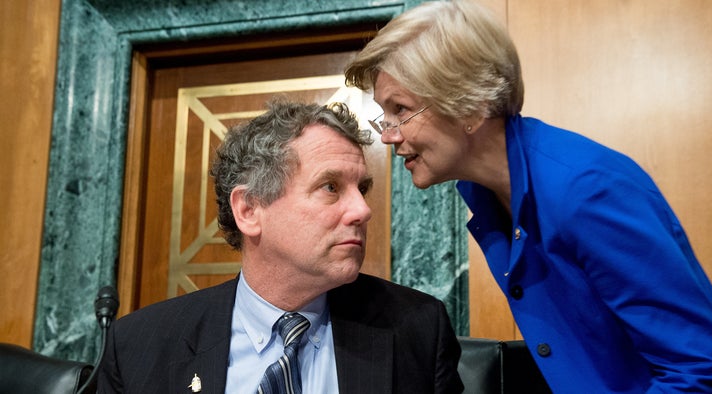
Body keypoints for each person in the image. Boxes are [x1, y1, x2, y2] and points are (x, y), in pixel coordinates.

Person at [344, 1, 712, 393]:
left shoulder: (587, 191)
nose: (388, 136)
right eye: (383, 116)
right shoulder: (488, 195)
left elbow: (702, 370)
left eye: (400, 110)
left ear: (470, 104)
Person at [97, 100, 464, 393]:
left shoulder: (417, 328)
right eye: (331, 187)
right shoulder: (140, 346)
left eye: (361, 189)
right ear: (249, 209)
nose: (363, 210)